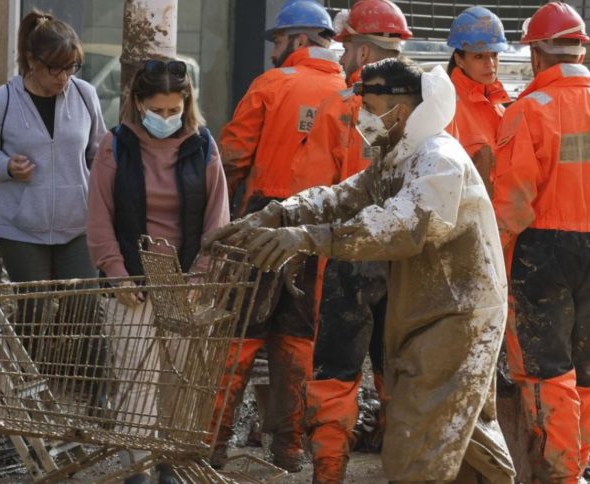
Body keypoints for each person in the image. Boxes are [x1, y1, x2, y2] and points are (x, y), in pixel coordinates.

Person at [207, 58, 516, 482]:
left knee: (417, 446)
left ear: (401, 110)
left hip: (457, 316)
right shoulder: (398, 159)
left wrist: (308, 238)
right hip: (433, 313)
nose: (363, 119)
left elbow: (405, 227)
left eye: (369, 107)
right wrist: (276, 215)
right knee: (463, 435)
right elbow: (342, 196)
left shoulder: (437, 159)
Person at [211, 0, 345, 472]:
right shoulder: (350, 93)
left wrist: (222, 222)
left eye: (279, 42)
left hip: (263, 221)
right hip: (319, 231)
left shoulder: (271, 84)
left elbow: (232, 155)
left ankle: (215, 444)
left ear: (301, 40)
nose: (274, 52)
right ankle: (289, 448)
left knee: (239, 336)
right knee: (298, 340)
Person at [86, 58, 228, 484]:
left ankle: (168, 467)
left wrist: (200, 277)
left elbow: (217, 219)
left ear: (187, 103)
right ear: (138, 103)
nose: (166, 118)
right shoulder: (115, 145)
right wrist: (117, 273)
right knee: (136, 381)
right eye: (158, 110)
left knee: (178, 382)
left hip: (185, 281)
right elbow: (98, 217)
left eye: (174, 109)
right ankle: (139, 472)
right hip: (130, 282)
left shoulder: (203, 145)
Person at [287, 1, 410, 480]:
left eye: (344, 48)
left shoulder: (342, 106)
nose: (339, 58)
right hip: (406, 254)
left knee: (336, 370)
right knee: (398, 367)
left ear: (361, 49)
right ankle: (402, 466)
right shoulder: (426, 110)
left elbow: (317, 191)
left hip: (351, 255)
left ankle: (330, 471)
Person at [492, 2, 590, 480]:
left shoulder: (529, 110)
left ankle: (562, 473)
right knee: (586, 368)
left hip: (542, 248)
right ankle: (580, 465)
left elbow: (512, 203)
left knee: (545, 369)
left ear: (536, 55)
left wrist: (491, 258)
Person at [0, 10, 104, 284]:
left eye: (71, 67)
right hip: (20, 228)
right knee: (34, 312)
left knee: (83, 310)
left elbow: (98, 153)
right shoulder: (0, 101)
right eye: (56, 68)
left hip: (78, 224)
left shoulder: (85, 95)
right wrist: (6, 166)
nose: (64, 77)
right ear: (32, 60)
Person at [445, 6, 510, 196]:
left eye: (494, 55)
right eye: (479, 56)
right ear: (460, 60)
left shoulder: (499, 107)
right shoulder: (448, 108)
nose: (490, 65)